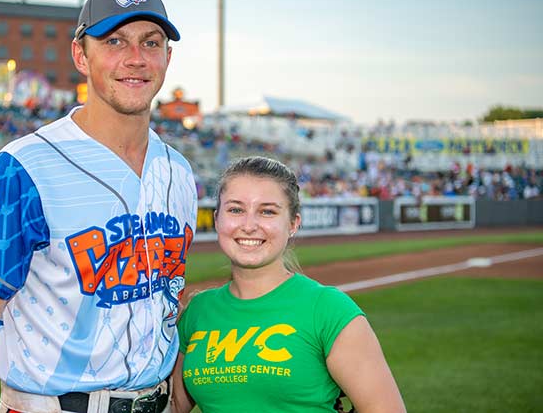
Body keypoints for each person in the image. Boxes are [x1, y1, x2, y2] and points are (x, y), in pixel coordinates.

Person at [0, 0, 197, 413]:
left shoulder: (179, 171)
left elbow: (165, 297)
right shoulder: (26, 166)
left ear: (167, 58)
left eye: (150, 43)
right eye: (114, 41)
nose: (135, 58)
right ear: (81, 55)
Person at [171, 157, 405, 413]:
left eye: (267, 211)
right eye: (236, 210)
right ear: (217, 219)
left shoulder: (328, 309)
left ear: (293, 223)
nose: (249, 226)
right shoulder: (197, 312)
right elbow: (172, 407)